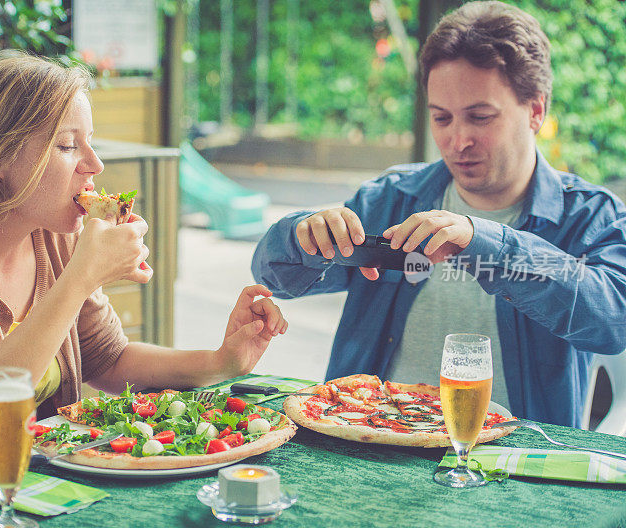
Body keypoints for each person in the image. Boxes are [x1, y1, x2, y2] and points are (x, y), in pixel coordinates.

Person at [0, 51, 288, 479]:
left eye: (89, 143)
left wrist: (220, 360)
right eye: (68, 145)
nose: (94, 164)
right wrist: (81, 278)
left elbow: (109, 361)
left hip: (38, 478)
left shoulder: (53, 236)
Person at [251, 1, 626, 428]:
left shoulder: (591, 215)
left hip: (516, 463)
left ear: (536, 111)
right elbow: (273, 278)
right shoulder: (392, 198)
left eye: (480, 117)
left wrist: (484, 240)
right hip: (372, 443)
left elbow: (614, 320)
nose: (458, 140)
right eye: (441, 118)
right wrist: (299, 236)